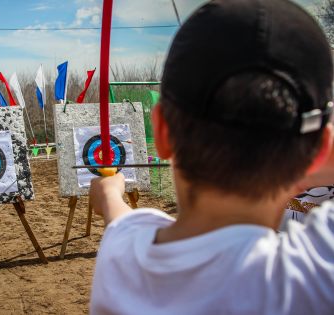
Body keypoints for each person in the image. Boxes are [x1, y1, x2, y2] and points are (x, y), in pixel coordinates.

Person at [89, 0, 334, 314]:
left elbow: (119, 215)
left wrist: (109, 193)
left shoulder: (120, 255)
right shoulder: (312, 278)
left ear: (162, 132)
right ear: (319, 152)